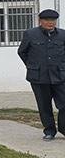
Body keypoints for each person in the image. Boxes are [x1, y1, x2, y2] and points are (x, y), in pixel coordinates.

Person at [18, 9, 65, 141]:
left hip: (60, 76)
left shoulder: (62, 34)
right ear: (40, 21)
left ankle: (63, 128)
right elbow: (22, 52)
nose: (50, 22)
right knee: (44, 105)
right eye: (46, 20)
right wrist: (33, 65)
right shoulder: (31, 34)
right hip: (39, 77)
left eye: (53, 20)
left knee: (63, 104)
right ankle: (49, 130)